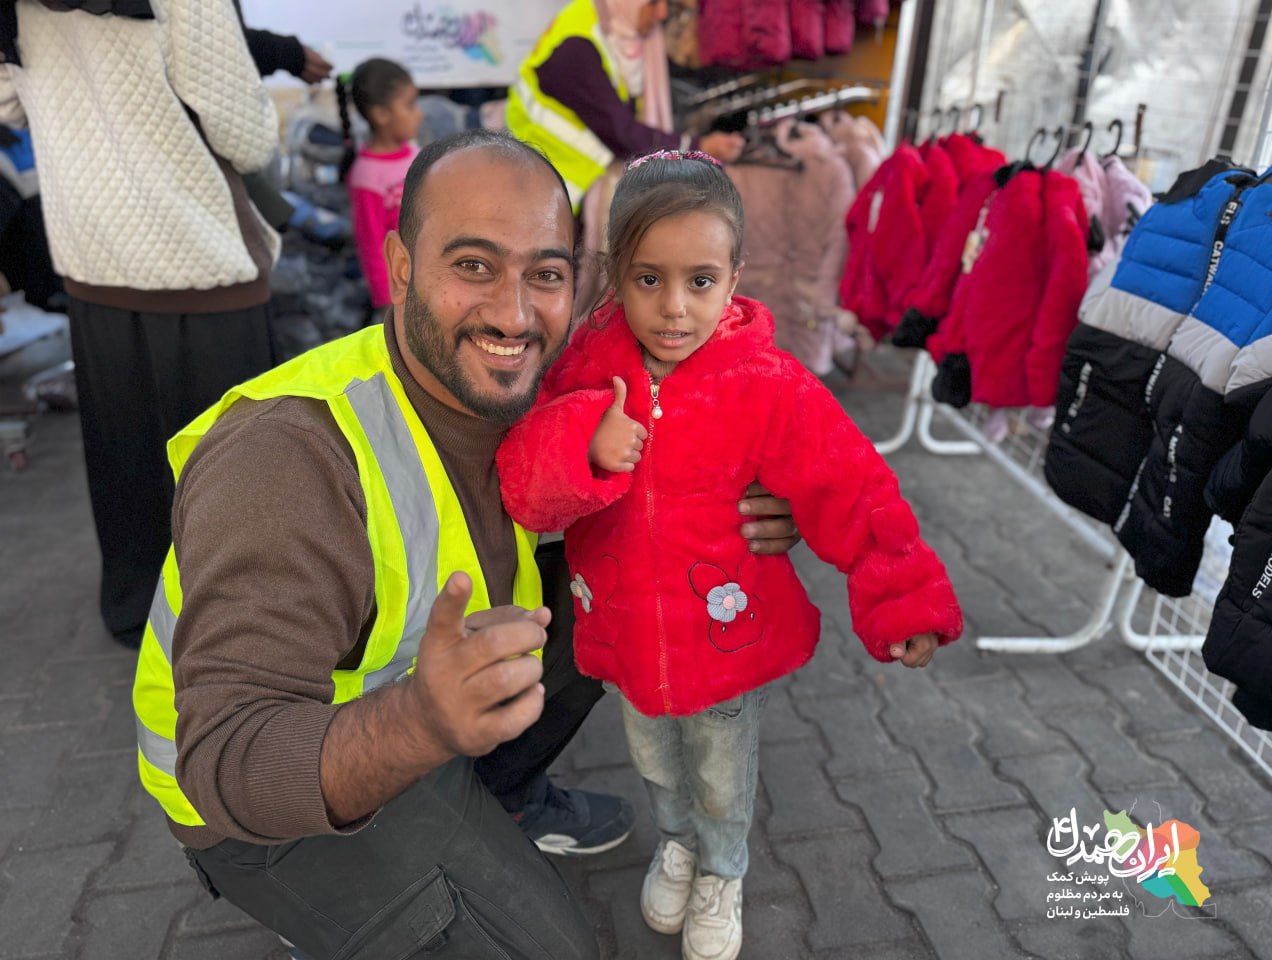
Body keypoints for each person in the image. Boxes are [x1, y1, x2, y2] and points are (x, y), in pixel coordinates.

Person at [130, 129, 803, 959]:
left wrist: (763, 506)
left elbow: (682, 479)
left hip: (425, 708)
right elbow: (228, 758)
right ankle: (351, 892)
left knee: (626, 588)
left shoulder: (521, 386)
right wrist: (420, 723)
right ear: (402, 266)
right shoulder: (289, 457)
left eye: (546, 275)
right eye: (475, 265)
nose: (515, 314)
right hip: (265, 812)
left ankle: (500, 799)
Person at [497, 151, 965, 960]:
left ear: (736, 274)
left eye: (701, 281)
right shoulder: (582, 372)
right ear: (614, 271)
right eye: (648, 280)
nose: (674, 309)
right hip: (627, 640)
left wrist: (904, 601)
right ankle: (677, 844)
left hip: (725, 642)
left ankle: (722, 868)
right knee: (655, 762)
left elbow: (854, 491)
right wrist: (588, 444)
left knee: (720, 769)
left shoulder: (768, 384)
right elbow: (525, 483)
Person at [0, 0, 280, 649]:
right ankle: (245, 624)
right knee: (231, 462)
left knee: (123, 453)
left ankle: (139, 610)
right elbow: (242, 128)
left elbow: (8, 104)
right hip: (194, 250)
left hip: (90, 254)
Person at [507, 0, 744, 215]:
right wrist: (697, 146)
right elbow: (621, 132)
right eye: (652, 3)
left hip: (566, 184)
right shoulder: (577, 47)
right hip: (542, 185)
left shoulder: (613, 29)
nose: (662, 14)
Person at [337, 57, 423, 313]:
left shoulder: (414, 153)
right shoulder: (367, 176)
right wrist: (387, 299)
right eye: (410, 105)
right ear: (381, 114)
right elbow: (371, 243)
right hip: (402, 292)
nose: (419, 113)